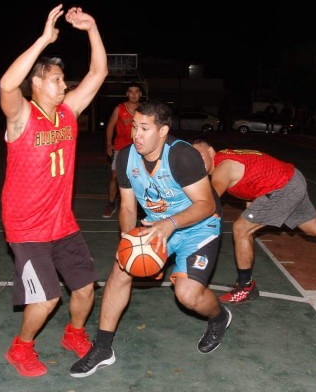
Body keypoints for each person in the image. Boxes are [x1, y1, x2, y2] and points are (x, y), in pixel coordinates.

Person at [70, 100, 231, 378]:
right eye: (134, 127)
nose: (136, 135)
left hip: (198, 226)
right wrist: (128, 237)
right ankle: (103, 348)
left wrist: (170, 224)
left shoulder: (182, 156)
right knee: (120, 270)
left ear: (163, 130)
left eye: (144, 128)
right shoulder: (124, 157)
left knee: (187, 295)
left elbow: (206, 204)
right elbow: (129, 207)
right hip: (156, 226)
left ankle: (219, 317)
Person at [0, 4, 108, 377]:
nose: (65, 84)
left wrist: (92, 29)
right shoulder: (21, 116)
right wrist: (45, 38)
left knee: (85, 288)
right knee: (46, 298)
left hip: (62, 222)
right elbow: (6, 85)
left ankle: (73, 334)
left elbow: (99, 72)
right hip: (26, 226)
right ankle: (20, 348)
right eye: (57, 79)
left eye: (64, 79)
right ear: (38, 82)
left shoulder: (69, 113)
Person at [191, 136, 316, 304]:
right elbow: (251, 179)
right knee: (314, 227)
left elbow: (210, 200)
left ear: (210, 151)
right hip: (292, 179)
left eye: (198, 155)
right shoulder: (229, 157)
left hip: (282, 188)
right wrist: (253, 209)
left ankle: (246, 287)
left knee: (241, 229)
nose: (196, 161)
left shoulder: (222, 167)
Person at [102, 82, 143, 218]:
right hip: (120, 147)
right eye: (131, 91)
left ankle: (141, 206)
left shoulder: (145, 109)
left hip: (139, 148)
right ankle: (111, 203)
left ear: (140, 94)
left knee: (141, 177)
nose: (133, 94)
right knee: (115, 175)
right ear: (127, 94)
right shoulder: (119, 108)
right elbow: (110, 126)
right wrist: (109, 144)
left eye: (136, 91)